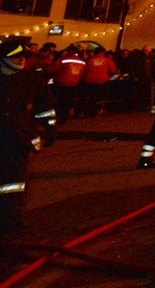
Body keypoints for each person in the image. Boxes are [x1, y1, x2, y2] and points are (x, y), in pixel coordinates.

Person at [0, 39, 56, 233]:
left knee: (14, 182)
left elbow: (44, 105)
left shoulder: (31, 79)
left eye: (23, 56)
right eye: (16, 56)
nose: (20, 60)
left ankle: (11, 218)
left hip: (17, 137)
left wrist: (49, 127)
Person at [80, 47, 120, 118]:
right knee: (95, 98)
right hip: (100, 81)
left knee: (88, 97)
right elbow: (112, 70)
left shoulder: (88, 60)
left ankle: (84, 111)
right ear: (103, 52)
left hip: (88, 80)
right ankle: (92, 112)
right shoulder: (107, 60)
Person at [50, 45, 86, 121]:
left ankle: (58, 116)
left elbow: (52, 69)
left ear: (70, 51)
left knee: (58, 101)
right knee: (68, 101)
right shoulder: (82, 62)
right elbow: (82, 73)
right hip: (73, 84)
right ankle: (64, 117)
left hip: (60, 83)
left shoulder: (63, 60)